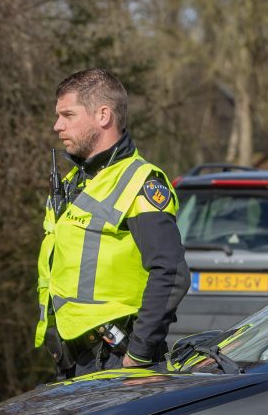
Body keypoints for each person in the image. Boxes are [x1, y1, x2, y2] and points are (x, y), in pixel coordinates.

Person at [37, 69, 188, 377]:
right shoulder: (75, 182)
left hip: (117, 359)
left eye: (67, 115)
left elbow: (170, 272)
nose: (57, 126)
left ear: (103, 115)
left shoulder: (142, 181)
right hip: (73, 360)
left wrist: (138, 356)